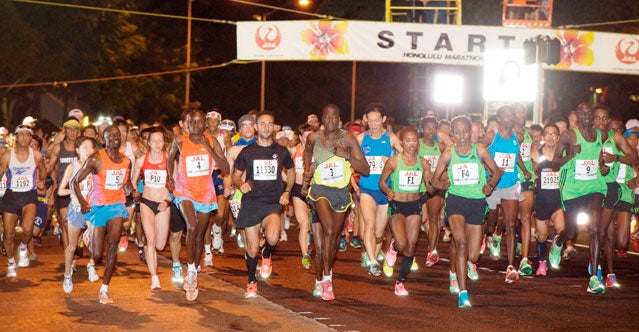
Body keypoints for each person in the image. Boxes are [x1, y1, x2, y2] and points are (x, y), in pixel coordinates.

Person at [431, 116, 502, 308]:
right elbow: (434, 180)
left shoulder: (480, 150)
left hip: (477, 202)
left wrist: (490, 186)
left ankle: (455, 268)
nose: (462, 136)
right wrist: (442, 184)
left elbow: (497, 171)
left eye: (465, 132)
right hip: (455, 200)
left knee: (473, 255)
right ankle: (463, 292)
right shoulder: (448, 153)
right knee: (461, 242)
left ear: (471, 132)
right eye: (458, 132)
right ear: (452, 134)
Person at [303, 104, 370, 301]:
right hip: (319, 189)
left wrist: (347, 155)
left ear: (339, 119)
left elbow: (365, 169)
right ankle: (326, 278)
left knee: (329, 243)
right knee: (330, 232)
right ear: (322, 119)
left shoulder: (347, 139)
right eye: (327, 117)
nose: (331, 121)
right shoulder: (314, 138)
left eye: (334, 117)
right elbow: (307, 152)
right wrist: (307, 168)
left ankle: (323, 275)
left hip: (341, 192)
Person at [167, 109, 229, 301]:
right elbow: (169, 159)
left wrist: (209, 149)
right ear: (187, 123)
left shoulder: (212, 141)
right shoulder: (179, 141)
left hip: (205, 193)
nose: (195, 125)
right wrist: (170, 177)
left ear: (205, 124)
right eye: (192, 122)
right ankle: (191, 269)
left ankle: (193, 267)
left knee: (200, 235)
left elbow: (226, 168)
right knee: (191, 227)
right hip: (184, 191)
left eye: (199, 122)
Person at [231, 111, 295, 298]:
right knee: (251, 249)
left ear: (274, 128)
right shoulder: (247, 152)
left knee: (273, 238)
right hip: (251, 203)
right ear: (256, 127)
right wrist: (239, 184)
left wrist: (287, 191)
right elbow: (235, 175)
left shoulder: (281, 151)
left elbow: (291, 172)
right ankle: (251, 281)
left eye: (270, 124)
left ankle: (267, 254)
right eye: (262, 124)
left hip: (271, 203)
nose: (266, 127)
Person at [550, 103, 607, 294]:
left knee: (595, 229)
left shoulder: (601, 135)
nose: (587, 116)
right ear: (576, 116)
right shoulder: (569, 135)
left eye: (589, 113)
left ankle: (593, 277)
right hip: (573, 189)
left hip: (594, 187)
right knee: (572, 233)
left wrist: (603, 166)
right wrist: (570, 154)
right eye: (582, 114)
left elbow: (598, 159)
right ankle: (559, 241)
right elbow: (554, 163)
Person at [72, 126, 133, 304]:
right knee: (97, 254)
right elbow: (75, 181)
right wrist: (83, 202)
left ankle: (104, 289)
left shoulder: (126, 161)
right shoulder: (96, 158)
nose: (115, 137)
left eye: (117, 135)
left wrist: (133, 192)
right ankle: (89, 233)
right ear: (103, 139)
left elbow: (126, 183)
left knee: (112, 247)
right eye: (110, 135)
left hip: (116, 206)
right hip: (98, 206)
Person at [378, 126, 432, 296]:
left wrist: (438, 184)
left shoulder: (423, 163)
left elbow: (429, 187)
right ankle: (393, 247)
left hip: (415, 206)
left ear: (418, 143)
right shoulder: (394, 161)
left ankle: (400, 282)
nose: (411, 144)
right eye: (407, 140)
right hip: (398, 206)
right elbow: (382, 182)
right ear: (401, 142)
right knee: (402, 244)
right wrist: (388, 191)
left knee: (411, 247)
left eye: (414, 140)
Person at [481, 105, 531, 283]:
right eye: (506, 115)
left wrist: (524, 170)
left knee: (511, 224)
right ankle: (489, 235)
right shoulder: (491, 136)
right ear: (500, 119)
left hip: (510, 184)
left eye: (512, 115)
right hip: (493, 186)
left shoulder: (517, 137)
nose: (510, 118)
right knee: (490, 223)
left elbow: (516, 156)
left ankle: (511, 266)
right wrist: (491, 169)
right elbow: (479, 153)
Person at [592, 106, 638, 287]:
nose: (616, 132)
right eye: (615, 128)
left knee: (621, 241)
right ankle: (609, 273)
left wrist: (616, 159)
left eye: (620, 130)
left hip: (624, 194)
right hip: (606, 191)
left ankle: (598, 259)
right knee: (608, 235)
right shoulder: (594, 139)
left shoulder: (620, 144)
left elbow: (635, 159)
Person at [356, 102, 402, 277]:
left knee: (378, 234)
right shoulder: (361, 139)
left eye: (377, 121)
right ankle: (373, 261)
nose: (373, 124)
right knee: (369, 223)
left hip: (385, 190)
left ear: (383, 119)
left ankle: (373, 255)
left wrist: (390, 159)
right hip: (367, 187)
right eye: (370, 121)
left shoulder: (391, 138)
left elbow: (405, 157)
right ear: (365, 120)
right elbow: (350, 158)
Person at [0, 125, 47, 278]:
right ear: (16, 136)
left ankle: (23, 246)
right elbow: (1, 172)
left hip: (29, 196)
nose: (24, 138)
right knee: (8, 234)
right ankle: (11, 262)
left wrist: (41, 180)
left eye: (28, 135)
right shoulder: (8, 156)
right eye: (21, 135)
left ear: (30, 138)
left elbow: (43, 169)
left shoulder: (36, 155)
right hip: (11, 196)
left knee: (28, 230)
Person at [131, 127, 172, 290]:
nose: (157, 144)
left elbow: (178, 184)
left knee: (160, 245)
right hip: (147, 202)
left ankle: (152, 259)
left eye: (160, 141)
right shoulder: (141, 161)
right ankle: (154, 277)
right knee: (151, 239)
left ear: (164, 143)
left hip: (163, 204)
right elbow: (133, 181)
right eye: (153, 141)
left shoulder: (169, 160)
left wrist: (168, 201)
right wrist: (135, 192)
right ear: (148, 142)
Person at [59, 136, 98, 293]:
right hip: (76, 209)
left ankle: (91, 265)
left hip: (93, 210)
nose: (89, 150)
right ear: (77, 150)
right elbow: (61, 191)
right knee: (72, 246)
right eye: (85, 147)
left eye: (91, 147)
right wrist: (77, 189)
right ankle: (67, 275)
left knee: (96, 242)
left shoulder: (97, 167)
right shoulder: (72, 167)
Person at [530, 124, 565, 274]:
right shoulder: (537, 154)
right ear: (544, 137)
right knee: (542, 235)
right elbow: (532, 172)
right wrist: (534, 170)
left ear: (558, 137)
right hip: (542, 200)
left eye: (554, 134)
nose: (551, 137)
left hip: (558, 199)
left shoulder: (563, 154)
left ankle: (556, 249)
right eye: (548, 134)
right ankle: (542, 262)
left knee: (562, 230)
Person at [47, 118, 81, 254]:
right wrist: (53, 179)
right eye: (69, 129)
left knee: (78, 223)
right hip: (64, 190)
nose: (72, 132)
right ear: (65, 131)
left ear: (79, 131)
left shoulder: (82, 147)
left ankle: (76, 242)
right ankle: (70, 254)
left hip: (80, 189)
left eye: (75, 129)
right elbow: (50, 166)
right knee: (67, 222)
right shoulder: (58, 148)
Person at [418, 116, 446, 268]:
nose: (431, 131)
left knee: (434, 218)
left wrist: (443, 181)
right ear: (422, 129)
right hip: (418, 188)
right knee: (420, 220)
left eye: (433, 128)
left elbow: (446, 165)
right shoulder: (417, 145)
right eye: (427, 128)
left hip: (434, 188)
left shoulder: (440, 147)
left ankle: (432, 250)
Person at [513, 104, 536, 276]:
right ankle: (497, 233)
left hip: (527, 179)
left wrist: (535, 164)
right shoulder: (507, 133)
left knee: (526, 217)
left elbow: (529, 153)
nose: (521, 115)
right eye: (517, 112)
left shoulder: (527, 132)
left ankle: (524, 259)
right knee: (510, 219)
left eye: (523, 112)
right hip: (511, 179)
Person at [290, 123, 316, 269]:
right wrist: (288, 182)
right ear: (300, 137)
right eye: (307, 137)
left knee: (314, 227)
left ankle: (312, 240)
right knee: (304, 224)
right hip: (298, 190)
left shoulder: (319, 152)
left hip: (315, 191)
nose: (310, 140)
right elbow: (284, 168)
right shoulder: (293, 151)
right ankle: (305, 254)